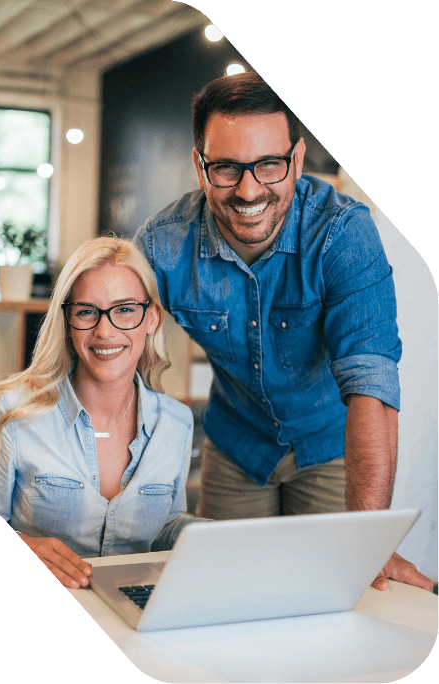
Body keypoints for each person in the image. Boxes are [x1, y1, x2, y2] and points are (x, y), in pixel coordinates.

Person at [133, 71, 433, 592]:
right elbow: (96, 346)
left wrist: (367, 538)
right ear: (200, 166)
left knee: (337, 596)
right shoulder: (163, 245)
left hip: (332, 445)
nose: (249, 190)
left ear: (296, 159)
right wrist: (12, 448)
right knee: (225, 598)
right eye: (226, 168)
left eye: (269, 165)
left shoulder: (343, 232)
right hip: (236, 446)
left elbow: (372, 382)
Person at [0, 237, 207, 589]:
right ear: (68, 322)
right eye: (86, 311)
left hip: (132, 610)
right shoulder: (14, 412)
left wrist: (212, 535)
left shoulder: (175, 422)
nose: (105, 331)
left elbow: (164, 530)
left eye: (125, 309)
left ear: (152, 319)